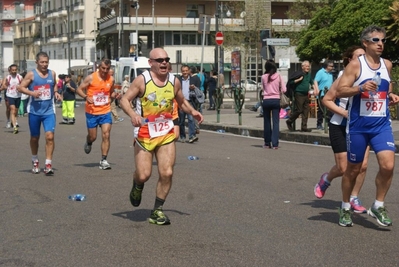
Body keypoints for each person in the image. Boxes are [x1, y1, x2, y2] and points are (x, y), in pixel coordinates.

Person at [119, 48, 203, 225]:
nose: (164, 63)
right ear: (151, 63)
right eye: (159, 60)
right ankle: (137, 184)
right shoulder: (142, 80)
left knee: (167, 172)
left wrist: (193, 111)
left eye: (166, 59)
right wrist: (133, 115)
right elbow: (124, 100)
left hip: (165, 132)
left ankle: (157, 210)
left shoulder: (174, 81)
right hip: (145, 132)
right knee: (144, 174)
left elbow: (181, 101)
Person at [336, 25, 399, 227]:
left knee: (388, 165)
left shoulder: (387, 65)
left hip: (381, 125)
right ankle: (345, 207)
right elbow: (340, 91)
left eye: (383, 40)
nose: (380, 44)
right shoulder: (356, 65)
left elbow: (386, 85)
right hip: (358, 127)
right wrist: (360, 88)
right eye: (375, 40)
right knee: (353, 170)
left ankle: (378, 205)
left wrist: (389, 95)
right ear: (365, 43)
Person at [314, 46, 369, 214]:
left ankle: (354, 197)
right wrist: (345, 113)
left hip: (361, 126)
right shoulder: (342, 77)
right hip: (340, 125)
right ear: (349, 60)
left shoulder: (370, 76)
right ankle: (326, 179)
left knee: (363, 166)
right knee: (344, 168)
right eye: (358, 56)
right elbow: (327, 100)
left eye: (364, 56)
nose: (362, 59)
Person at [16, 52, 62, 175]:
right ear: (37, 62)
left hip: (49, 111)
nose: (44, 64)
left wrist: (56, 92)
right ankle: (35, 160)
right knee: (34, 138)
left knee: (50, 136)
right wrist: (32, 93)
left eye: (46, 62)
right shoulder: (31, 74)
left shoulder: (52, 73)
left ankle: (48, 163)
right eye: (42, 62)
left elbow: (54, 85)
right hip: (34, 111)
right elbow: (20, 88)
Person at [76, 58, 121, 170]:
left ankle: (104, 160)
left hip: (105, 111)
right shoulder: (91, 77)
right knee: (93, 137)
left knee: (106, 134)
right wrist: (86, 97)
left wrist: (115, 95)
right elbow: (79, 89)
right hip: (92, 112)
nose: (105, 71)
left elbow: (111, 93)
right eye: (103, 68)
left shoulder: (111, 79)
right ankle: (88, 141)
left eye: (107, 68)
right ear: (98, 67)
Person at [261, 60, 286, 149]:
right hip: (276, 100)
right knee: (276, 122)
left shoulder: (263, 77)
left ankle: (267, 143)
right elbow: (284, 89)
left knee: (266, 122)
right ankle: (275, 144)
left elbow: (263, 88)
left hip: (266, 100)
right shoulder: (279, 76)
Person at [285, 60, 315, 132]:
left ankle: (304, 127)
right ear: (303, 67)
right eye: (307, 66)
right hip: (298, 94)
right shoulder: (299, 74)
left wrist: (316, 89)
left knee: (306, 110)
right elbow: (290, 82)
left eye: (309, 66)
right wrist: (298, 79)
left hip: (306, 94)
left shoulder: (309, 75)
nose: (308, 68)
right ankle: (289, 121)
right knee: (299, 110)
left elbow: (312, 82)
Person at [178, 65, 198, 143]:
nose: (185, 72)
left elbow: (199, 89)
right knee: (181, 121)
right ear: (181, 71)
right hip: (181, 102)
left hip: (190, 102)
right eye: (183, 71)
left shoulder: (194, 79)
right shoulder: (178, 80)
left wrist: (194, 87)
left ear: (189, 71)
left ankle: (191, 136)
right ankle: (182, 136)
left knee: (191, 119)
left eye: (186, 71)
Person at [1, 64, 23, 134]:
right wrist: (6, 85)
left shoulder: (20, 77)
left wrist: (21, 88)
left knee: (16, 111)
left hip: (18, 96)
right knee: (12, 109)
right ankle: (13, 125)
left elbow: (23, 85)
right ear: (10, 70)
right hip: (10, 95)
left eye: (15, 70)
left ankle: (14, 121)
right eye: (12, 70)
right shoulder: (8, 77)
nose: (14, 71)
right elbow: (4, 86)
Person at [314, 60, 334, 130]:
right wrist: (317, 89)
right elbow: (315, 80)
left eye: (332, 66)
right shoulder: (321, 72)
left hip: (329, 94)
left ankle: (329, 123)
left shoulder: (331, 74)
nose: (332, 67)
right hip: (321, 94)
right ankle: (319, 124)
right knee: (321, 109)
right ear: (326, 66)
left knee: (329, 109)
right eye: (330, 66)